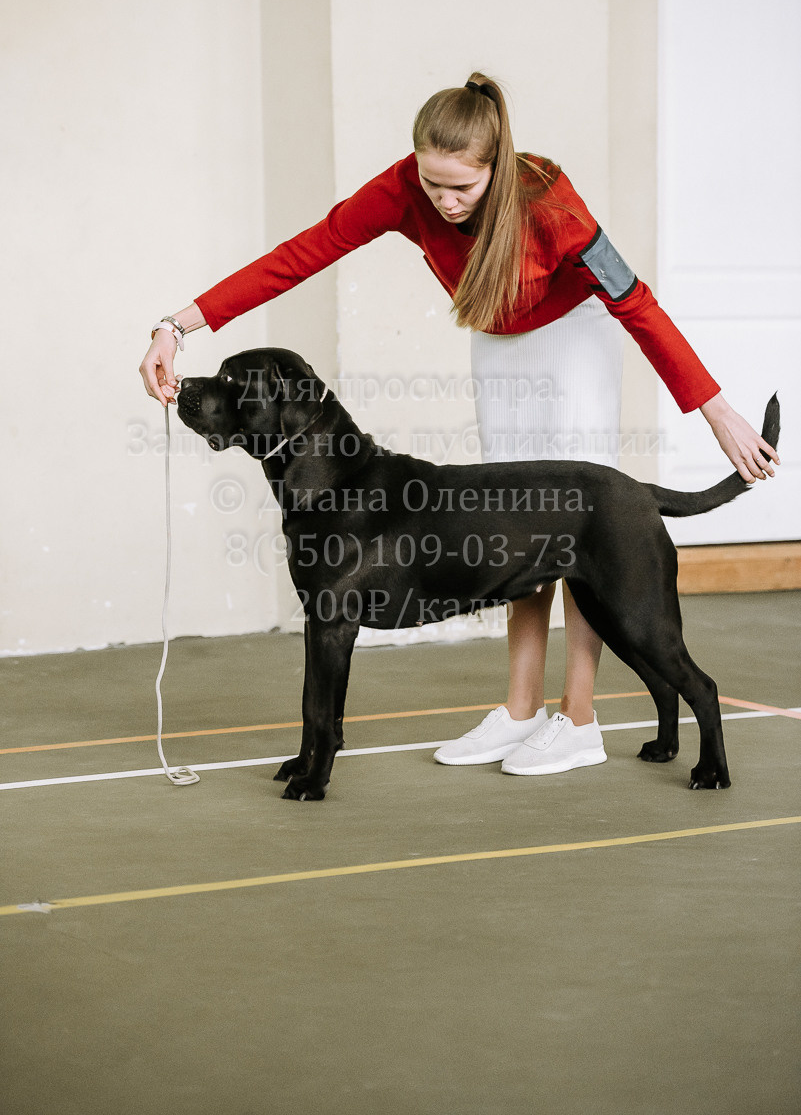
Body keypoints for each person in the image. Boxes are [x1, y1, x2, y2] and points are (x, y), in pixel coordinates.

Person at [140, 71, 778, 777]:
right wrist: (179, 325)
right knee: (511, 517)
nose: (441, 201)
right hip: (496, 331)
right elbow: (301, 254)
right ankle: (518, 709)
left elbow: (637, 303)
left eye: (460, 189)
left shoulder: (551, 203)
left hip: (573, 333)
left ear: (494, 168)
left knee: (580, 519)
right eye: (429, 182)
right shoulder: (403, 190)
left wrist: (712, 408)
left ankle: (580, 718)